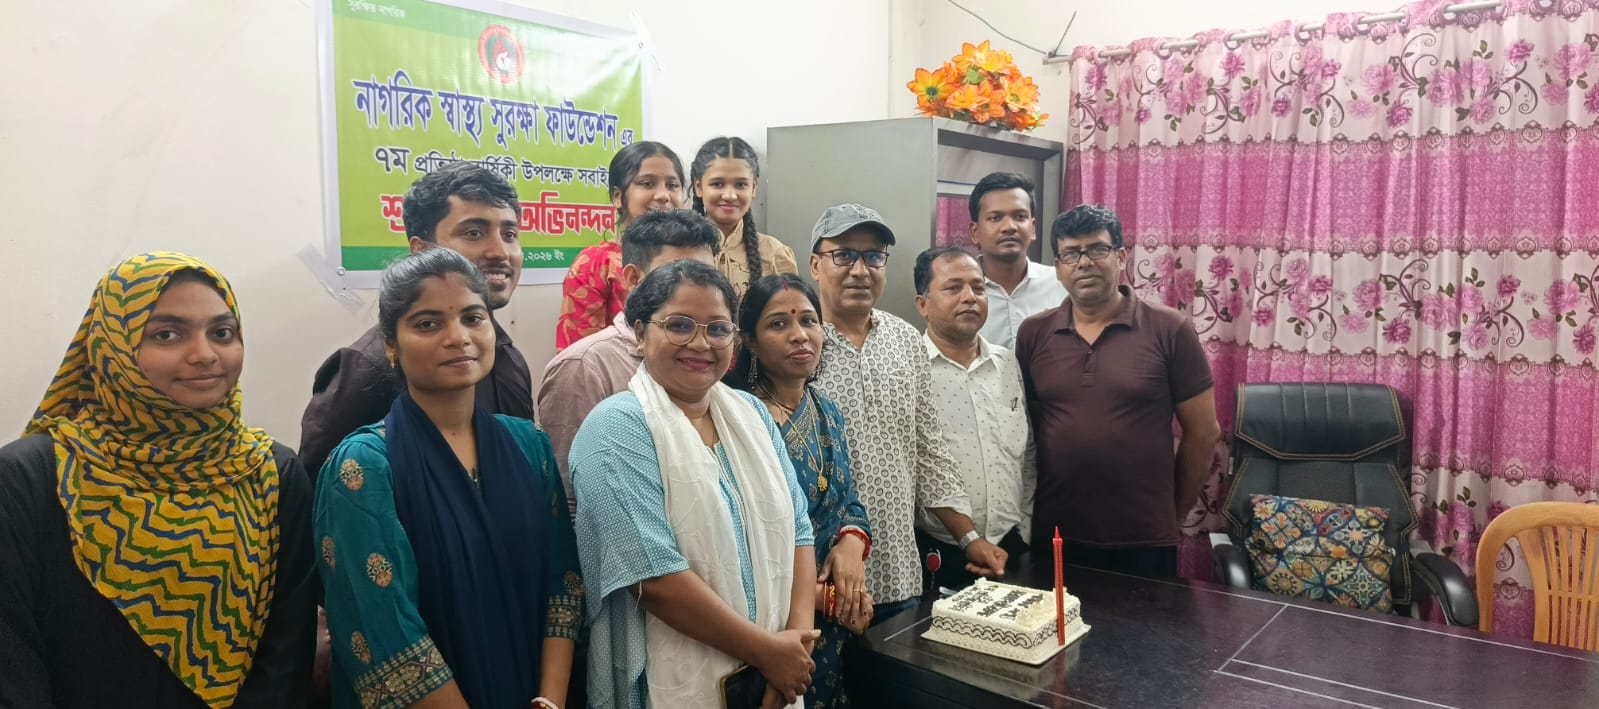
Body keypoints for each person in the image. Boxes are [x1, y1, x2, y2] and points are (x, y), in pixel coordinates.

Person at [0, 253, 316, 708]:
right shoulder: (29, 476)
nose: (204, 354)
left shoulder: (271, 472)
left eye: (222, 333)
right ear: (111, 347)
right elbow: (11, 657)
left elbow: (286, 651)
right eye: (167, 334)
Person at [316, 248, 582, 709]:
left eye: (473, 318)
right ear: (391, 344)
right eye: (428, 324)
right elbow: (384, 630)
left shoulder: (529, 446)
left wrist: (550, 700)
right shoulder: (363, 467)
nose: (458, 337)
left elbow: (564, 584)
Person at [572, 261, 817, 709]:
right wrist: (767, 653)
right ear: (640, 333)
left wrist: (795, 645)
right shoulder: (614, 429)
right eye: (679, 325)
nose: (701, 343)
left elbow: (800, 529)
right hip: (671, 679)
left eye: (718, 329)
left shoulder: (752, 414)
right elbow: (653, 577)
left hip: (777, 673)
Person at [807, 203, 1007, 620]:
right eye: (843, 255)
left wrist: (968, 538)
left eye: (873, 256)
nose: (860, 270)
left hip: (899, 574)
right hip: (820, 579)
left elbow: (929, 452)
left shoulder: (905, 340)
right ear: (815, 265)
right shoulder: (799, 343)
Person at [1016, 204, 1221, 577]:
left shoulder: (1169, 329)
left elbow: (1204, 433)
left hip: (1144, 538)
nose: (1084, 263)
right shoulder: (1033, 333)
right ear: (1058, 267)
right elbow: (1029, 431)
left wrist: (1171, 516)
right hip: (1056, 535)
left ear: (1121, 257)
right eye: (1071, 254)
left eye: (1097, 249)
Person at [301, 162, 534, 479]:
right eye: (474, 233)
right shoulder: (368, 368)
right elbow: (323, 490)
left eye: (509, 234)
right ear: (421, 250)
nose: (500, 252)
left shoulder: (505, 355)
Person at [729, 274, 873, 709]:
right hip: (771, 626)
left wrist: (851, 544)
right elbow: (742, 542)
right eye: (778, 324)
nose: (799, 335)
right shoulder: (737, 418)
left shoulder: (826, 409)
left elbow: (848, 499)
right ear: (750, 341)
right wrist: (832, 599)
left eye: (809, 321)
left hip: (836, 630)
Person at [537, 209, 721, 518]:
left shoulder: (708, 352)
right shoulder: (585, 367)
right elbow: (570, 500)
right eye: (674, 275)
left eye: (705, 276)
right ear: (634, 279)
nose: (693, 289)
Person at [911, 247, 1036, 591]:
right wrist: (967, 538)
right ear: (922, 304)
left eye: (978, 288)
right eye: (953, 288)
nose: (970, 297)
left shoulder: (1006, 363)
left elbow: (1027, 452)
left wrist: (1024, 527)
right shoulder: (909, 369)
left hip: (1011, 547)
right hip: (942, 551)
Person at [556, 141, 685, 350]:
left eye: (672, 185)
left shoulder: (694, 258)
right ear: (618, 197)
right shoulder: (594, 263)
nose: (663, 195)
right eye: (648, 184)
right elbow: (580, 355)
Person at [688, 136, 797, 297]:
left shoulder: (775, 254)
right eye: (718, 184)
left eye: (741, 185)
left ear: (753, 188)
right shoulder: (676, 249)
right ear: (699, 187)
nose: (730, 195)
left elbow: (789, 308)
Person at [967, 172, 1067, 349]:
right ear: (975, 232)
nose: (1009, 227)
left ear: (1033, 228)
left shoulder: (1062, 284)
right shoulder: (961, 295)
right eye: (995, 218)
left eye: (1020, 217)